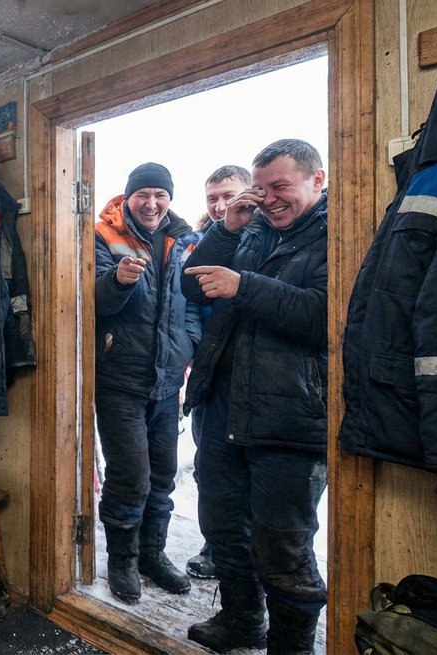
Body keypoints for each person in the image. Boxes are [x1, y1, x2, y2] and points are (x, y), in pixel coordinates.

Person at [181, 139, 328, 654]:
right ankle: (243, 621)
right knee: (222, 525)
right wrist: (227, 230)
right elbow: (192, 287)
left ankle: (291, 647)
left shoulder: (341, 231)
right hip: (223, 405)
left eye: (280, 187)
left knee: (282, 544)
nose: (268, 199)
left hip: (291, 415)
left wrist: (243, 286)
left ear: (318, 180)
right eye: (260, 189)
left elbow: (323, 318)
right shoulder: (252, 230)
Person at [94, 162, 201, 603]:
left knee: (162, 474)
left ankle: (151, 555)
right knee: (131, 475)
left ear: (170, 199)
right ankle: (121, 560)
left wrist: (190, 342)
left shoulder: (186, 241)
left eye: (160, 195)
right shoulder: (104, 235)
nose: (152, 203)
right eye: (143, 195)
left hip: (168, 378)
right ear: (128, 197)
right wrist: (117, 282)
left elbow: (192, 300)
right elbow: (92, 301)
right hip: (120, 377)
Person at [185, 164, 252, 582]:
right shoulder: (201, 242)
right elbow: (188, 299)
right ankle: (215, 548)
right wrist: (192, 350)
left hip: (251, 372)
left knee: (248, 472)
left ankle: (249, 557)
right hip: (209, 374)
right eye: (212, 198)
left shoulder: (263, 239)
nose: (219, 205)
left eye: (229, 195)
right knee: (210, 468)